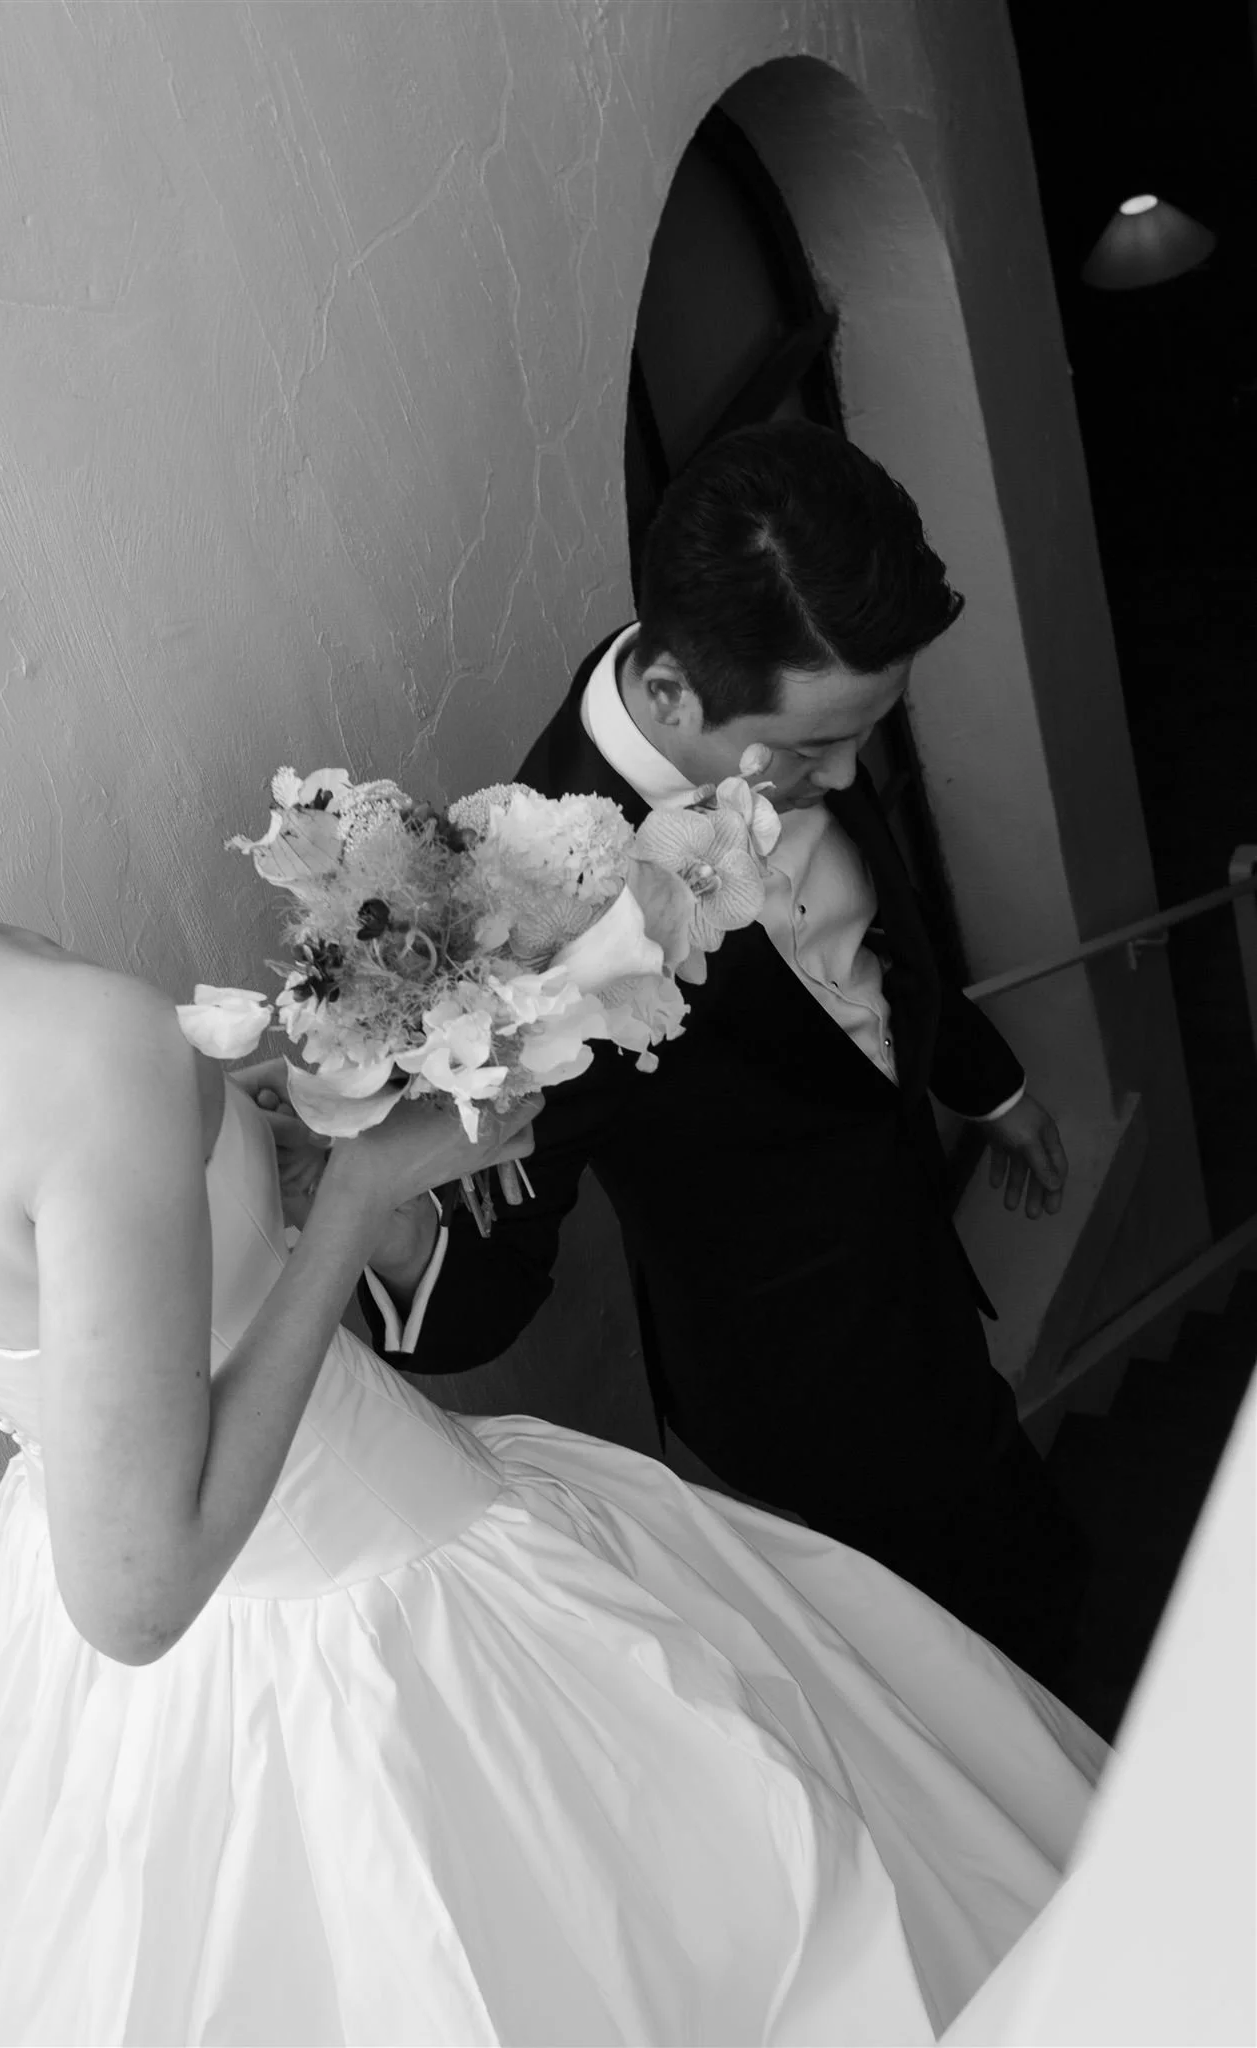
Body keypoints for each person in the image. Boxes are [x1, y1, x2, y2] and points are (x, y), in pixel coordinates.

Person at [0, 391, 1105, 2048]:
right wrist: (358, 1199)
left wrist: (209, 1153)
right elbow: (141, 1589)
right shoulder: (67, 1043)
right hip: (343, 1596)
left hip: (82, 1604)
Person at [348, 422, 1093, 1701]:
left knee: (1048, 1588)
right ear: (675, 694)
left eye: (866, 731)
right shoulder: (534, 915)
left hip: (916, 1255)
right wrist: (374, 1220)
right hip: (804, 1393)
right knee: (944, 1683)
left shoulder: (776, 677)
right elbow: (492, 1280)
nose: (849, 774)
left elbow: (876, 941)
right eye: (810, 750)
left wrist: (988, 1084)